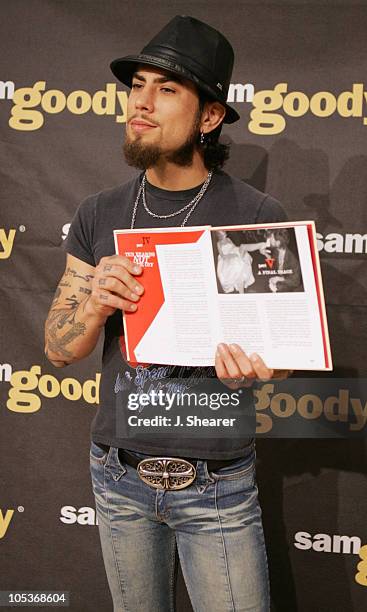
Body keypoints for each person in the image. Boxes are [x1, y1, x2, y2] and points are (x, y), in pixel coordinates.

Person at [45, 16, 291, 612]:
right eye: (138, 86)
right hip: (118, 480)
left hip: (218, 487)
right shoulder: (99, 213)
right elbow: (58, 347)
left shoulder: (255, 213)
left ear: (210, 117)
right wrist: (96, 303)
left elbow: (281, 359)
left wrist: (254, 368)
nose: (142, 104)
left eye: (167, 89)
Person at [265, 229, 303, 293]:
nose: (268, 240)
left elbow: (296, 282)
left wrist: (279, 279)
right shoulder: (276, 251)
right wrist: (266, 255)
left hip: (288, 283)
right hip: (279, 277)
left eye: (271, 238)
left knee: (276, 289)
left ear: (278, 242)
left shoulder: (293, 259)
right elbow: (273, 266)